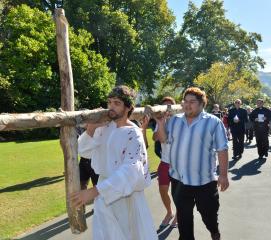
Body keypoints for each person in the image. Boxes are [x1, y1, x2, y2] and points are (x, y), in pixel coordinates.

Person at [71, 85, 157, 240]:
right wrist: (91, 129)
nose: (111, 107)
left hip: (127, 197)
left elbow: (131, 171)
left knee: (129, 235)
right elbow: (84, 152)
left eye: (116, 103)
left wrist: (93, 191)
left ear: (128, 107)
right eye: (109, 102)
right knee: (106, 235)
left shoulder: (134, 134)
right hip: (105, 193)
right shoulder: (104, 128)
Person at [156, 87, 229, 240]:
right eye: (185, 101)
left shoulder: (213, 122)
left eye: (192, 102)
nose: (187, 105)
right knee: (184, 222)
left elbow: (222, 149)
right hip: (179, 181)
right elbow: (163, 139)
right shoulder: (175, 120)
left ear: (202, 104)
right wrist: (161, 122)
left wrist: (223, 175)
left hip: (205, 182)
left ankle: (214, 232)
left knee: (209, 216)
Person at [152, 96, 177, 228]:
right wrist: (161, 125)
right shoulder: (160, 121)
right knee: (163, 189)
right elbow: (156, 138)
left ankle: (178, 215)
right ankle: (169, 212)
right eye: (164, 106)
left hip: (179, 163)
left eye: (169, 106)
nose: (167, 109)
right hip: (165, 161)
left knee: (179, 193)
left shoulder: (180, 120)